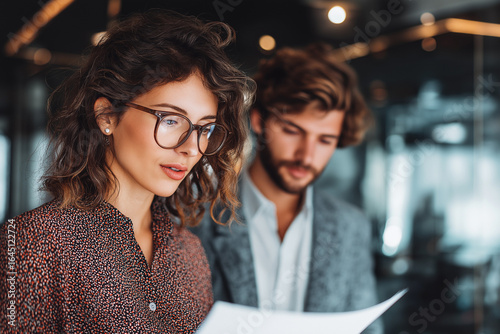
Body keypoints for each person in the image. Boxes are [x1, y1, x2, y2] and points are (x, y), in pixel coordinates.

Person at [0, 10, 253, 333]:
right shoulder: (36, 241)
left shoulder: (188, 253)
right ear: (107, 116)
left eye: (205, 128)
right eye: (171, 119)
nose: (191, 147)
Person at [192, 44, 383, 333]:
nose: (306, 156)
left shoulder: (350, 227)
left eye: (325, 140)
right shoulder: (194, 217)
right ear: (259, 121)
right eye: (292, 131)